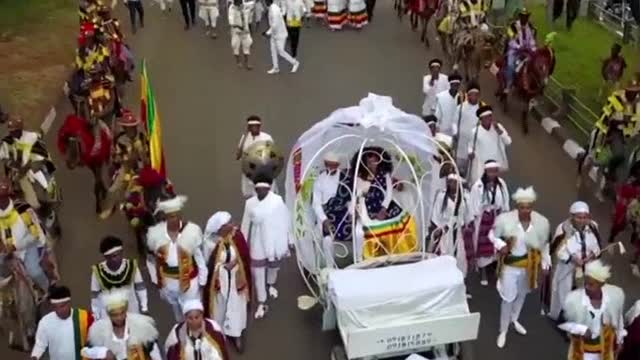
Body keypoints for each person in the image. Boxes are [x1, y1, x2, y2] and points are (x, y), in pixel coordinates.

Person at [490, 186, 550, 348]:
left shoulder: (540, 222)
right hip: (510, 265)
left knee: (522, 294)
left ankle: (514, 319)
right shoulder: (505, 220)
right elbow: (492, 234)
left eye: (529, 207)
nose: (526, 210)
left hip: (529, 267)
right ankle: (503, 330)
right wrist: (500, 244)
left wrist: (545, 262)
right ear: (517, 207)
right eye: (522, 207)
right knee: (508, 297)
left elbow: (545, 245)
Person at [146, 196, 208, 321]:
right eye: (170, 216)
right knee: (178, 314)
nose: (173, 219)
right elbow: (154, 262)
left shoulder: (191, 232)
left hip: (190, 282)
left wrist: (202, 281)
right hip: (169, 283)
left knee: (192, 312)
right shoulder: (155, 235)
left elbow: (199, 258)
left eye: (176, 216)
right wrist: (159, 284)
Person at [241, 176, 292, 319]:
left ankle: (270, 285)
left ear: (269, 189)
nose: (261, 192)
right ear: (255, 189)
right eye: (258, 190)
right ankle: (262, 302)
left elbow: (284, 221)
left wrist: (289, 240)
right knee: (257, 273)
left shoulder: (277, 201)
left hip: (274, 241)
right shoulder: (250, 203)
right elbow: (245, 224)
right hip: (257, 243)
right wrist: (242, 243)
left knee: (273, 268)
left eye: (264, 190)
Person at [202, 211, 251, 352]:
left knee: (236, 307)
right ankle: (220, 334)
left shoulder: (237, 236)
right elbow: (209, 265)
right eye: (228, 223)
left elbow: (244, 255)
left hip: (236, 279)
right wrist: (222, 267)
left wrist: (236, 261)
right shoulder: (211, 243)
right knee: (220, 307)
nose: (232, 225)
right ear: (220, 227)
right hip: (219, 282)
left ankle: (236, 335)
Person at [559, 260, 626, 360]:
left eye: (591, 285)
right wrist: (581, 329)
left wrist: (620, 340)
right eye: (585, 283)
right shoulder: (574, 301)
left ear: (601, 284)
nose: (586, 287)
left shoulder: (613, 299)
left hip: (605, 353)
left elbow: (618, 320)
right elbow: (563, 323)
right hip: (582, 353)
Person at [548, 202, 601, 322]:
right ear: (572, 216)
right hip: (568, 269)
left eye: (584, 217)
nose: (582, 220)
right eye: (578, 217)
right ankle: (563, 318)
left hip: (587, 269)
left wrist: (591, 255)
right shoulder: (563, 229)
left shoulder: (593, 227)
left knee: (584, 294)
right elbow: (558, 249)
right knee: (564, 294)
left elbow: (597, 246)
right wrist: (573, 259)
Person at [0, 179, 54, 292]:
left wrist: (15, 247)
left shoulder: (22, 208)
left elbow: (35, 235)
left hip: (29, 247)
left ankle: (48, 290)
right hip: (8, 251)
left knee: (34, 271)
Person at [81, 289, 161, 359]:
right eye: (114, 315)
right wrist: (102, 352)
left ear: (126, 310)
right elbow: (84, 352)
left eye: (122, 313)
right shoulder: (98, 331)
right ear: (109, 314)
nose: (119, 318)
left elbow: (155, 353)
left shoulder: (142, 327)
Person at [0, 116, 57, 211]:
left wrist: (30, 165)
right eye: (10, 130)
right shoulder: (7, 142)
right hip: (17, 172)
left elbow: (39, 154)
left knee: (46, 182)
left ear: (20, 129)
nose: (12, 132)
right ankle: (36, 207)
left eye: (14, 130)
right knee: (23, 190)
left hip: (32, 167)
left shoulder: (31, 137)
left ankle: (51, 199)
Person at [469, 160, 509, 286]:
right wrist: (473, 219)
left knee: (495, 243)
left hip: (496, 217)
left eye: (495, 171)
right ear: (486, 172)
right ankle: (482, 270)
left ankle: (493, 267)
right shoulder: (478, 186)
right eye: (491, 171)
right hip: (483, 219)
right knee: (483, 244)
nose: (493, 174)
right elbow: (473, 205)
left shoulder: (501, 184)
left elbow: (505, 200)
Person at [90, 236, 148, 319]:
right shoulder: (97, 272)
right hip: (109, 314)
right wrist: (96, 315)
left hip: (131, 311)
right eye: (113, 256)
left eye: (120, 254)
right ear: (106, 257)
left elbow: (140, 287)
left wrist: (144, 307)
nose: (118, 258)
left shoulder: (132, 266)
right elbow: (95, 296)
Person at [31, 285, 95, 360]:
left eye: (62, 306)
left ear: (69, 303)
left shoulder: (85, 318)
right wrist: (35, 356)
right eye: (55, 307)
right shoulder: (45, 322)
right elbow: (40, 344)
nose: (59, 311)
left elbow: (96, 342)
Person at [429, 173, 474, 276]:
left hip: (459, 232)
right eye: (449, 182)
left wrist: (466, 227)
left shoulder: (465, 196)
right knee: (445, 254)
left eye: (454, 182)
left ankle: (459, 278)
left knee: (460, 256)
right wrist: (440, 228)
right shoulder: (441, 196)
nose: (451, 184)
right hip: (446, 231)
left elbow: (468, 215)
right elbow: (436, 215)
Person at [165, 299, 230, 360]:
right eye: (190, 318)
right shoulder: (177, 332)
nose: (194, 321)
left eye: (197, 317)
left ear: (202, 315)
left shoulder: (213, 327)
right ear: (185, 318)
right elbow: (170, 351)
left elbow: (221, 350)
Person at [467, 104, 511, 186]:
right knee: (481, 185)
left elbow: (508, 142)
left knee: (495, 185)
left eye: (490, 116)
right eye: (486, 117)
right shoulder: (475, 132)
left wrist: (499, 131)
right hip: (482, 164)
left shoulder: (498, 127)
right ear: (481, 119)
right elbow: (470, 146)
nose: (489, 119)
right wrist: (470, 153)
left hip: (496, 163)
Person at [610, 161, 640, 277]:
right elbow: (624, 193)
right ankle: (611, 239)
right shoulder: (632, 182)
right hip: (632, 206)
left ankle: (633, 261)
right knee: (619, 225)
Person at [312, 152, 342, 263]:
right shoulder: (320, 179)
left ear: (338, 165)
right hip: (326, 215)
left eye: (334, 165)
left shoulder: (344, 177)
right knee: (324, 238)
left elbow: (350, 198)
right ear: (325, 164)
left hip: (342, 214)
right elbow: (316, 203)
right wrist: (324, 220)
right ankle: (327, 268)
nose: (331, 168)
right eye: (329, 165)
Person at [236, 116, 275, 198]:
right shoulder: (244, 138)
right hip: (249, 175)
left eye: (256, 126)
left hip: (263, 176)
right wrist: (244, 138)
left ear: (259, 126)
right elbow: (238, 156)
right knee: (251, 200)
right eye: (251, 126)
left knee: (265, 199)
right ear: (248, 127)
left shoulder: (267, 137)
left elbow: (273, 156)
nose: (254, 128)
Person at [505, 8, 536, 92]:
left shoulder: (530, 27)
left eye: (526, 16)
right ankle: (509, 84)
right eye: (523, 16)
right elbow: (510, 41)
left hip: (527, 51)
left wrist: (533, 49)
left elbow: (532, 40)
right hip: (514, 51)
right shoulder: (512, 26)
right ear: (520, 17)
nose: (525, 18)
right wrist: (519, 47)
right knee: (511, 65)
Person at [265, 0, 300, 74]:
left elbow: (275, 24)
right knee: (273, 50)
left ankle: (295, 63)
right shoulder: (272, 7)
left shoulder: (274, 10)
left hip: (280, 34)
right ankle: (276, 68)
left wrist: (267, 32)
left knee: (281, 51)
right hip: (274, 34)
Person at [455, 82, 482, 171]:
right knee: (456, 169)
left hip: (473, 147)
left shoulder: (481, 110)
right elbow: (454, 122)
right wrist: (455, 133)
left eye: (476, 95)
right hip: (460, 144)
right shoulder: (461, 107)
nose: (474, 97)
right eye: (472, 95)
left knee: (469, 172)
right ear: (468, 95)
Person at [434, 73, 463, 138]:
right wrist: (436, 126)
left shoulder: (462, 97)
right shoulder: (441, 96)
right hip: (444, 130)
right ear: (450, 84)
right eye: (454, 85)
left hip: (458, 131)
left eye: (457, 85)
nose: (456, 87)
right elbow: (438, 113)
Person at [229, 0, 253, 69]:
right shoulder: (232, 8)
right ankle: (238, 61)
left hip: (245, 31)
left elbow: (252, 3)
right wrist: (237, 26)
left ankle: (247, 63)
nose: (239, 6)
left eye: (240, 4)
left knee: (247, 45)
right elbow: (231, 20)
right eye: (237, 4)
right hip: (236, 32)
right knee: (235, 46)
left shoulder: (246, 6)